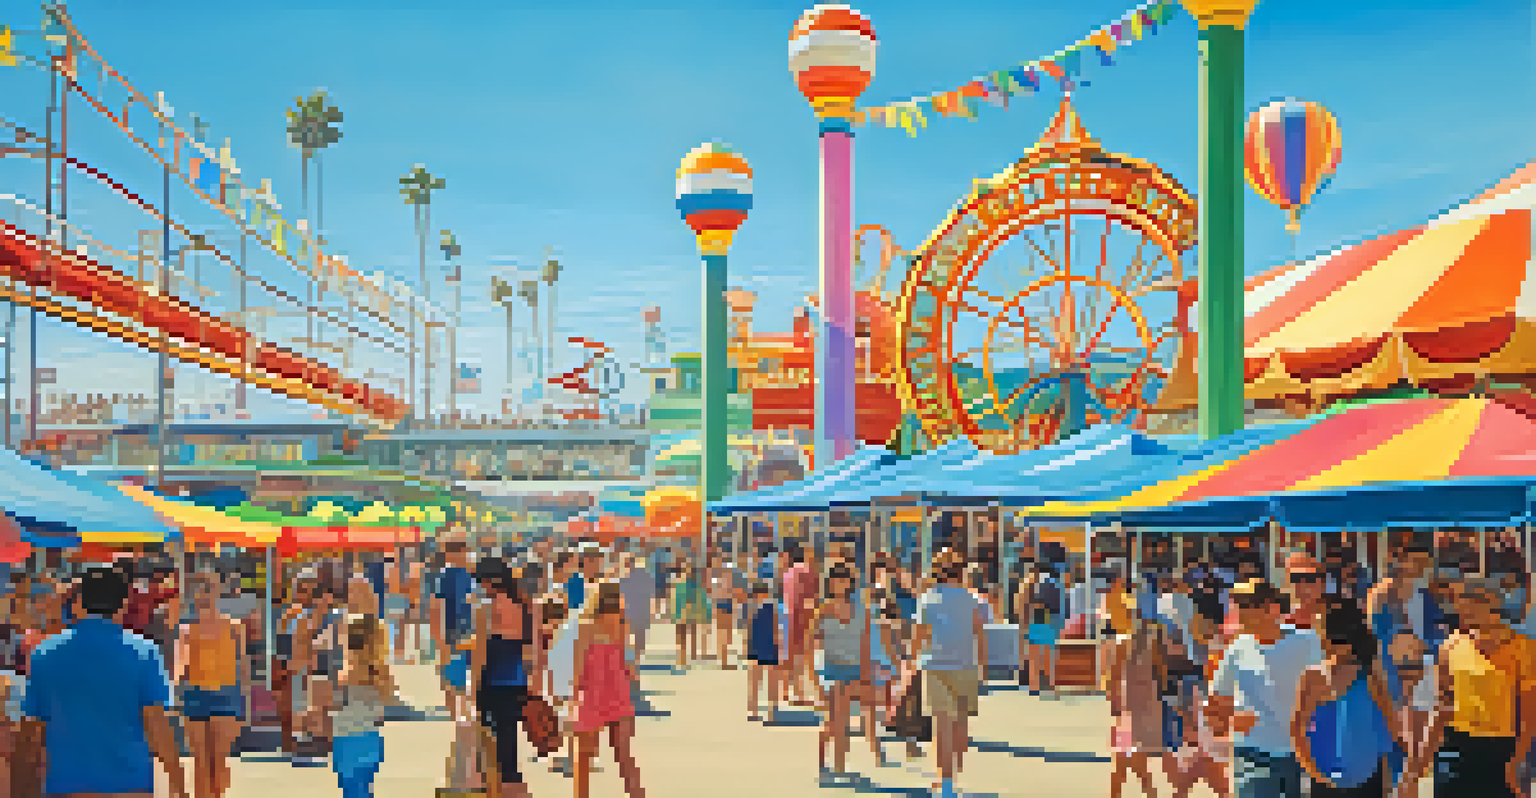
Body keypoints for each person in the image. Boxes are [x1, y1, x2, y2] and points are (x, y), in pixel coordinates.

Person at [22, 565, 187, 798]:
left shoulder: (44, 654)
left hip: (66, 784)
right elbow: (157, 725)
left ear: (78, 602)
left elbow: (33, 731)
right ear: (124, 604)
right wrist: (178, 787)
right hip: (131, 784)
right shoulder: (144, 652)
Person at [1420, 576, 1536, 798]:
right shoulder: (1450, 647)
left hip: (1503, 749)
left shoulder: (1525, 649)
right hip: (1455, 747)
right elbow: (1441, 705)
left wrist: (1519, 758)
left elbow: (1530, 713)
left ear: (1493, 603)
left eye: (1470, 602)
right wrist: (1419, 761)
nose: (1462, 610)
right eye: (1461, 603)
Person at [1206, 579, 1323, 798]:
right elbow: (1216, 705)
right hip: (1252, 755)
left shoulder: (1308, 642)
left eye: (1249, 604)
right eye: (1239, 605)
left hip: (1304, 755)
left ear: (1273, 608)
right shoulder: (1236, 649)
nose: (1240, 611)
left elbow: (1333, 687)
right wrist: (1230, 719)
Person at [1291, 599, 1402, 798]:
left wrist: (1386, 784)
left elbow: (1388, 733)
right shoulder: (1313, 676)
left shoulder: (1371, 676)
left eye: (1322, 632)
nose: (1320, 638)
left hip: (1366, 780)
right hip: (1327, 781)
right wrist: (1316, 775)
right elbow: (1298, 731)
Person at [914, 549, 986, 798]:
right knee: (961, 724)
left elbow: (919, 635)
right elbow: (980, 633)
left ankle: (945, 781)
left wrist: (912, 659)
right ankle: (953, 772)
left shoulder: (927, 598)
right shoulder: (972, 599)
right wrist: (983, 666)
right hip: (965, 664)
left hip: (935, 665)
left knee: (941, 725)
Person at [471, 557, 542, 798]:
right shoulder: (527, 606)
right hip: (517, 680)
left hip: (492, 681)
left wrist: (474, 686)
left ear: (490, 581)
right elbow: (533, 651)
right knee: (509, 739)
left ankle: (496, 790)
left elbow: (480, 652)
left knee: (490, 741)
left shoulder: (486, 609)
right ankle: (514, 789)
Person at [175, 572, 247, 798]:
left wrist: (245, 703)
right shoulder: (185, 629)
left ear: (217, 592)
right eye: (199, 589)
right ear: (193, 595)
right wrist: (174, 694)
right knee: (200, 761)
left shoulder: (235, 626)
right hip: (194, 693)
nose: (204, 593)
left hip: (226, 693)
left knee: (219, 759)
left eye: (208, 588)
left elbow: (243, 666)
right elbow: (180, 666)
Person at [572, 580, 644, 798]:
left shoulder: (585, 627)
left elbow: (577, 668)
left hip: (592, 696)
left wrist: (571, 697)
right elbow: (631, 669)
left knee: (583, 759)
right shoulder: (622, 627)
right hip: (618, 693)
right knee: (624, 757)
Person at [810, 563, 873, 784]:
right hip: (829, 670)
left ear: (850, 583)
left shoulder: (862, 611)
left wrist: (866, 674)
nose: (840, 582)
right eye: (836, 578)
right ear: (830, 582)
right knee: (833, 721)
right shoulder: (822, 610)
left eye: (844, 578)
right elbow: (812, 644)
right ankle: (828, 765)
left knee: (841, 720)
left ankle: (837, 766)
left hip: (853, 670)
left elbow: (866, 644)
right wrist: (813, 675)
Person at [1104, 590, 1168, 798]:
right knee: (1129, 765)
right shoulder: (1147, 641)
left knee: (1129, 765)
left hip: (1134, 709)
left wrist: (1114, 702)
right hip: (1136, 708)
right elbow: (1162, 675)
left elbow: (1113, 676)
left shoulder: (1128, 642)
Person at [332, 616, 395, 798]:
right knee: (363, 789)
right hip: (369, 736)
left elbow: (333, 702)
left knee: (353, 790)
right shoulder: (381, 672)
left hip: (349, 737)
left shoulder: (349, 672)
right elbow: (387, 700)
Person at [434, 540, 476, 723]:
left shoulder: (471, 575)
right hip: (452, 632)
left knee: (469, 675)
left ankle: (465, 717)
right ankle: (454, 719)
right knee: (452, 678)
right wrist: (440, 640)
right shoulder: (445, 576)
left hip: (471, 631)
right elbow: (437, 609)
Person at [745, 580, 782, 723]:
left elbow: (748, 627)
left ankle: (765, 710)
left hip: (763, 646)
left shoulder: (753, 608)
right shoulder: (770, 607)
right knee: (758, 680)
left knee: (762, 680)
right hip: (762, 646)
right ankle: (759, 710)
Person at [617, 553, 654, 677]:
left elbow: (651, 592)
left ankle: (635, 660)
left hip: (638, 610)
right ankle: (632, 660)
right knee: (628, 637)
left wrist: (652, 608)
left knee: (638, 637)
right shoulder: (622, 577)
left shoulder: (642, 575)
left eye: (628, 562)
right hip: (629, 611)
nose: (627, 564)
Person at [671, 560, 708, 673]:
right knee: (683, 636)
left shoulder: (690, 584)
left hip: (688, 613)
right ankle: (684, 657)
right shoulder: (686, 583)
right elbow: (674, 599)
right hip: (683, 613)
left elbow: (698, 599)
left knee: (689, 634)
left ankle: (689, 655)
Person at [1281, 553, 1326, 631]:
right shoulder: (1281, 621)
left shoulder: (1331, 617)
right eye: (1296, 578)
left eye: (1309, 578)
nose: (1302, 584)